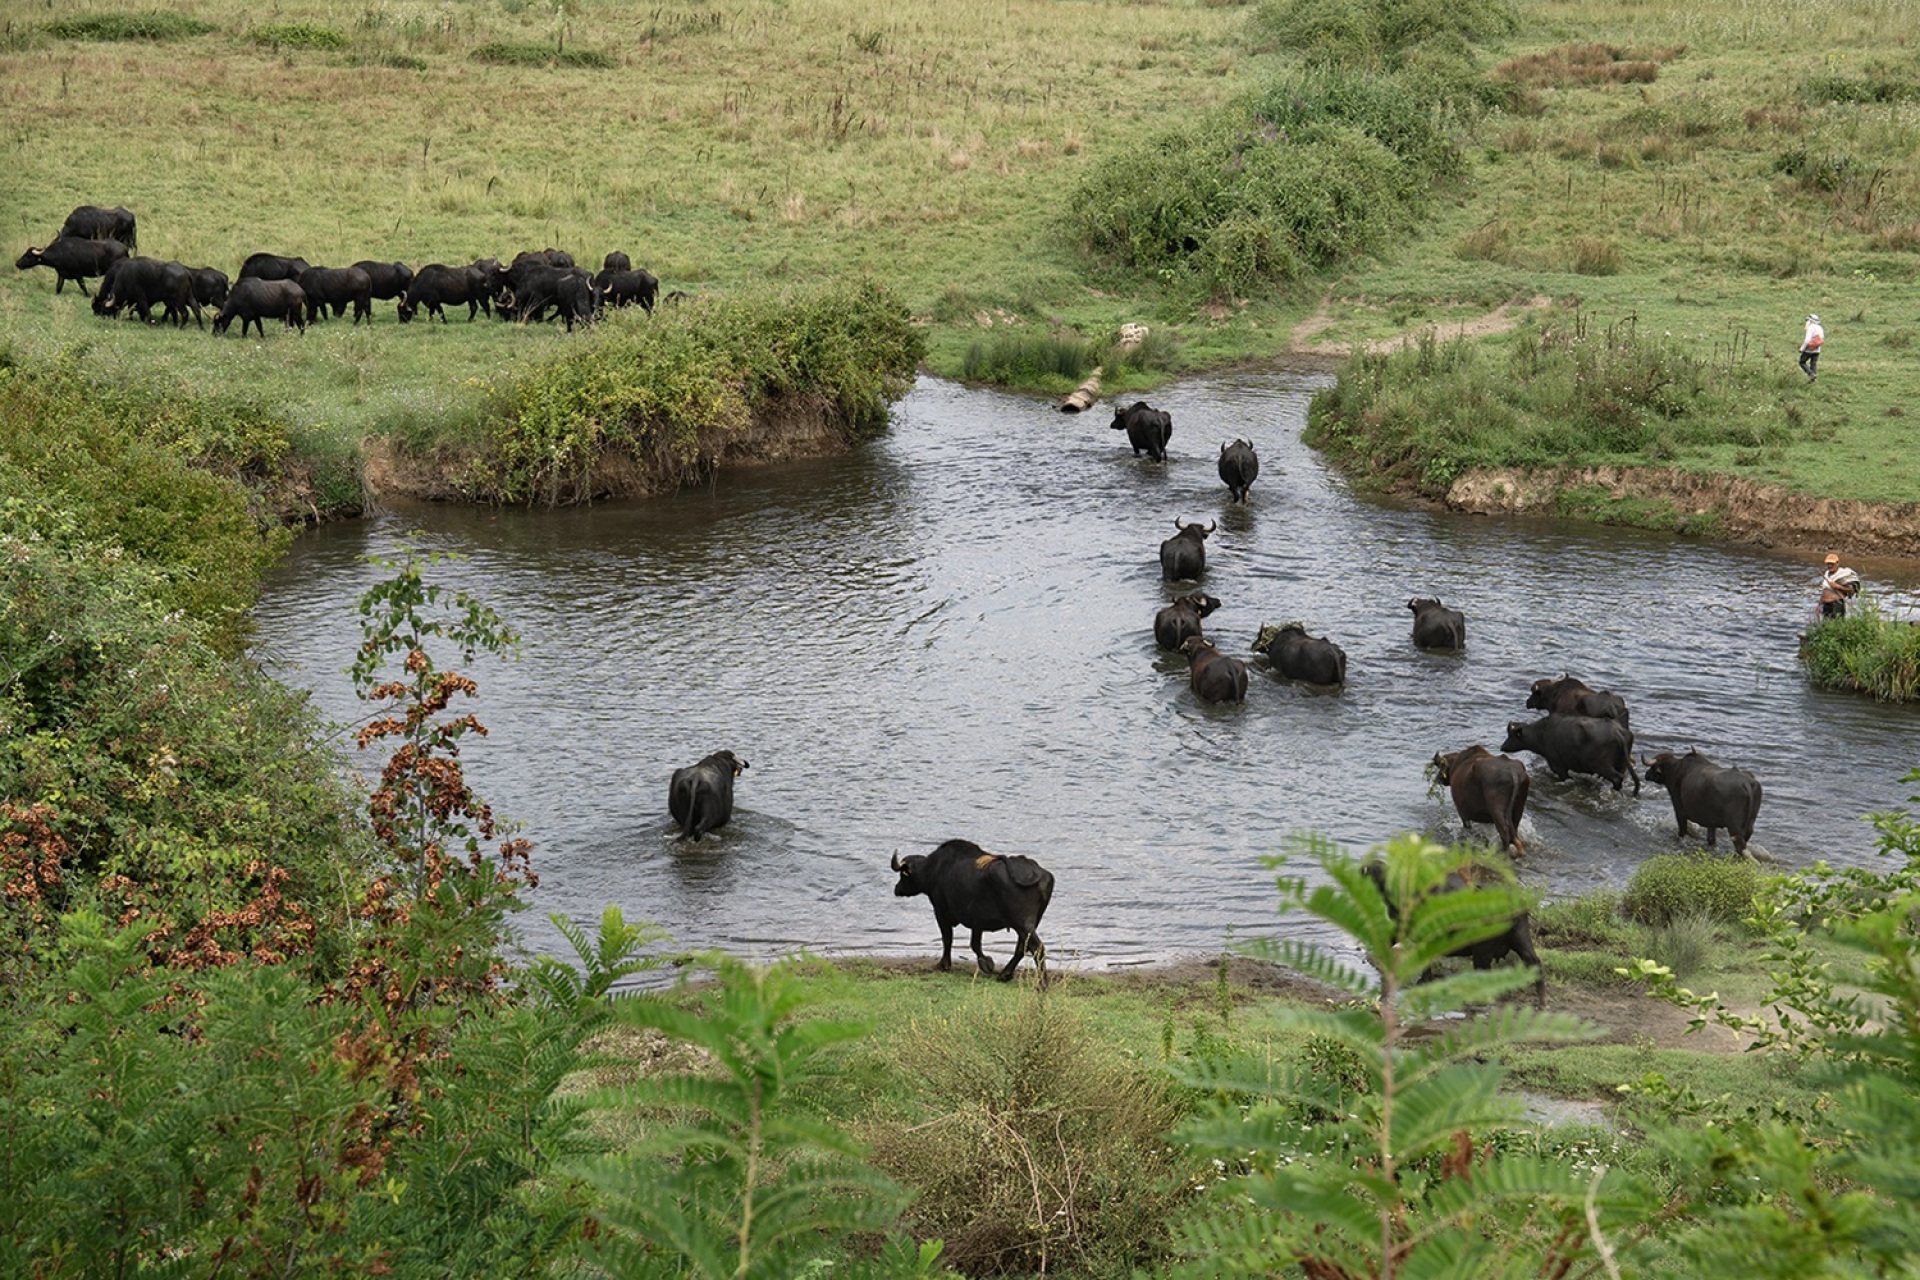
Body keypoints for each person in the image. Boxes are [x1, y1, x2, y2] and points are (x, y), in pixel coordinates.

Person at [1819, 551, 1859, 619]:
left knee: (1837, 625)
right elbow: (1825, 591)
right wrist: (1819, 605)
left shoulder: (1844, 574)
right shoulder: (1826, 573)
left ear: (1837, 563)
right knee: (1826, 627)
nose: (1829, 566)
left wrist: (1838, 586)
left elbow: (1852, 589)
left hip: (1836, 605)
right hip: (1826, 605)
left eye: (1832, 563)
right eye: (1828, 563)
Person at [1799, 313, 1824, 382]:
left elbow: (1807, 340)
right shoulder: (1820, 328)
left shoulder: (1811, 327)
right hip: (1817, 349)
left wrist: (1802, 348)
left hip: (1809, 349)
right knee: (1813, 363)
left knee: (1802, 362)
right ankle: (1813, 379)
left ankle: (1811, 374)